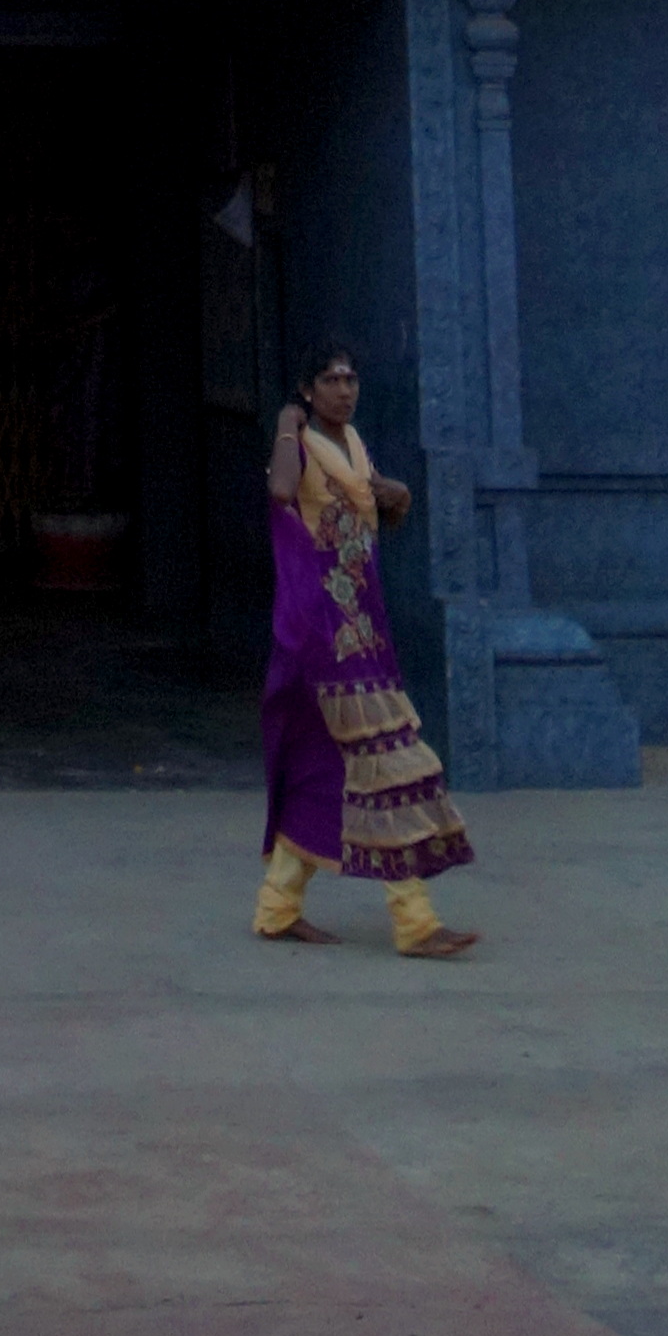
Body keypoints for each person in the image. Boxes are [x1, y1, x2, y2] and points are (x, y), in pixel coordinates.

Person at [254, 346, 479, 955]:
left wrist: (394, 496)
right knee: (388, 763)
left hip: (362, 629)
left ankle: (277, 907)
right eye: (331, 380)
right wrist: (285, 424)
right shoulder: (301, 444)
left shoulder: (353, 443)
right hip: (323, 634)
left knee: (327, 765)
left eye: (351, 378)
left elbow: (370, 521)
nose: (345, 389)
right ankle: (415, 921)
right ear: (308, 389)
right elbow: (280, 491)